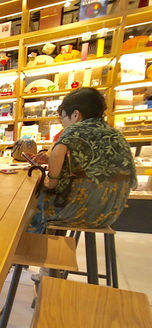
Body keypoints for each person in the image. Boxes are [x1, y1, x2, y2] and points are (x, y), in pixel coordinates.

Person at [29, 88, 137, 234]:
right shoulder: (115, 133)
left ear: (75, 115)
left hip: (78, 213)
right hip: (110, 214)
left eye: (63, 117)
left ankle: (34, 242)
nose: (62, 123)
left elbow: (57, 153)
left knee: (33, 201)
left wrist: (51, 181)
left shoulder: (74, 130)